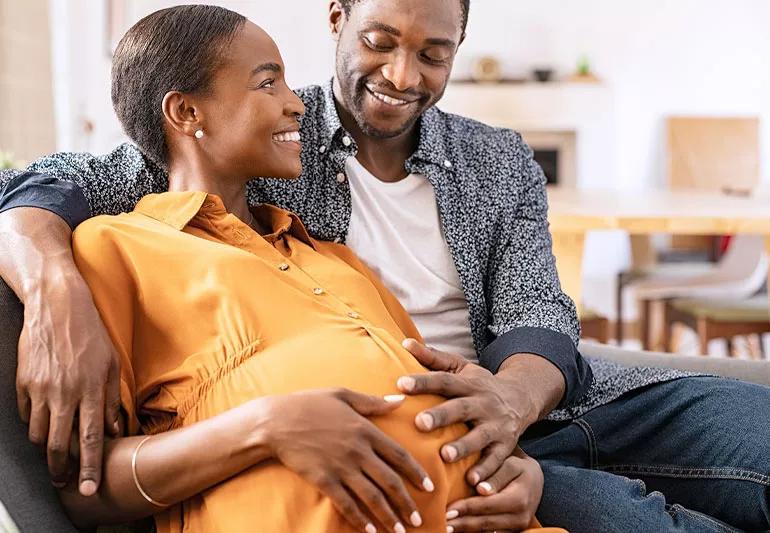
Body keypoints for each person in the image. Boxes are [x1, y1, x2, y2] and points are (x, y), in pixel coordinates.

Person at [0, 0, 768, 531]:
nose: (404, 74)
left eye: (433, 53)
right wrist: (50, 280)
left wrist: (508, 400)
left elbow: (539, 313)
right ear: (336, 19)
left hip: (536, 404)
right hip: (452, 445)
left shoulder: (493, 159)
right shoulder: (262, 130)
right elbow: (46, 181)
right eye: (380, 41)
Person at [53, 6, 561, 533]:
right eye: (269, 83)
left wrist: (524, 472)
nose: (297, 104)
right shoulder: (116, 247)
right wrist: (265, 426)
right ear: (186, 113)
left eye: (432, 55)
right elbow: (81, 490)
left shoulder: (335, 260)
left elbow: (447, 393)